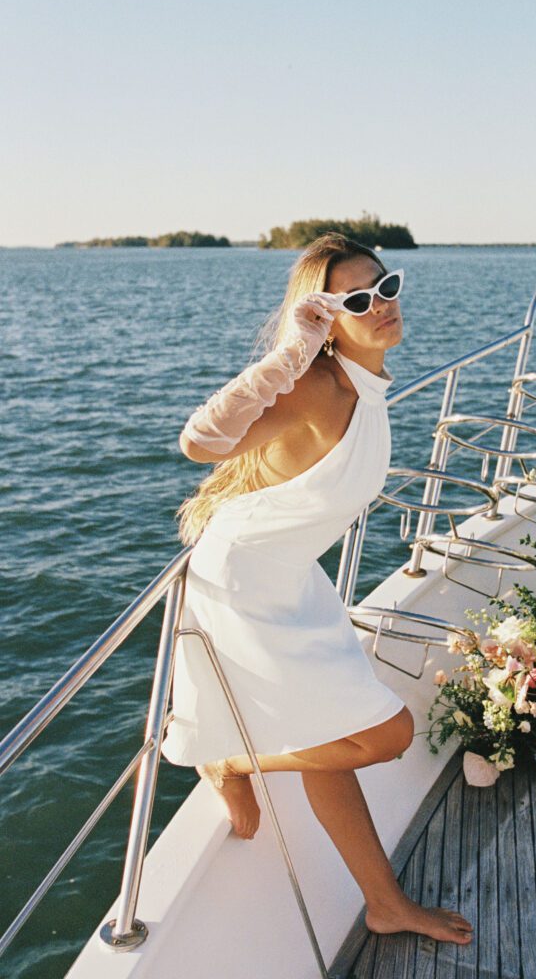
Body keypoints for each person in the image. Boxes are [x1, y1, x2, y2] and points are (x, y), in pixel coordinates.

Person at [161, 232, 473, 947]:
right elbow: (199, 444)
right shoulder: (312, 384)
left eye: (385, 285)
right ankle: (227, 757)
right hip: (243, 584)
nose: (381, 304)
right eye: (358, 299)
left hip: (292, 578)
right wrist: (285, 357)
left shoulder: (366, 382)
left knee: (330, 736)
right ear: (325, 318)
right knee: (385, 735)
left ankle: (384, 902)